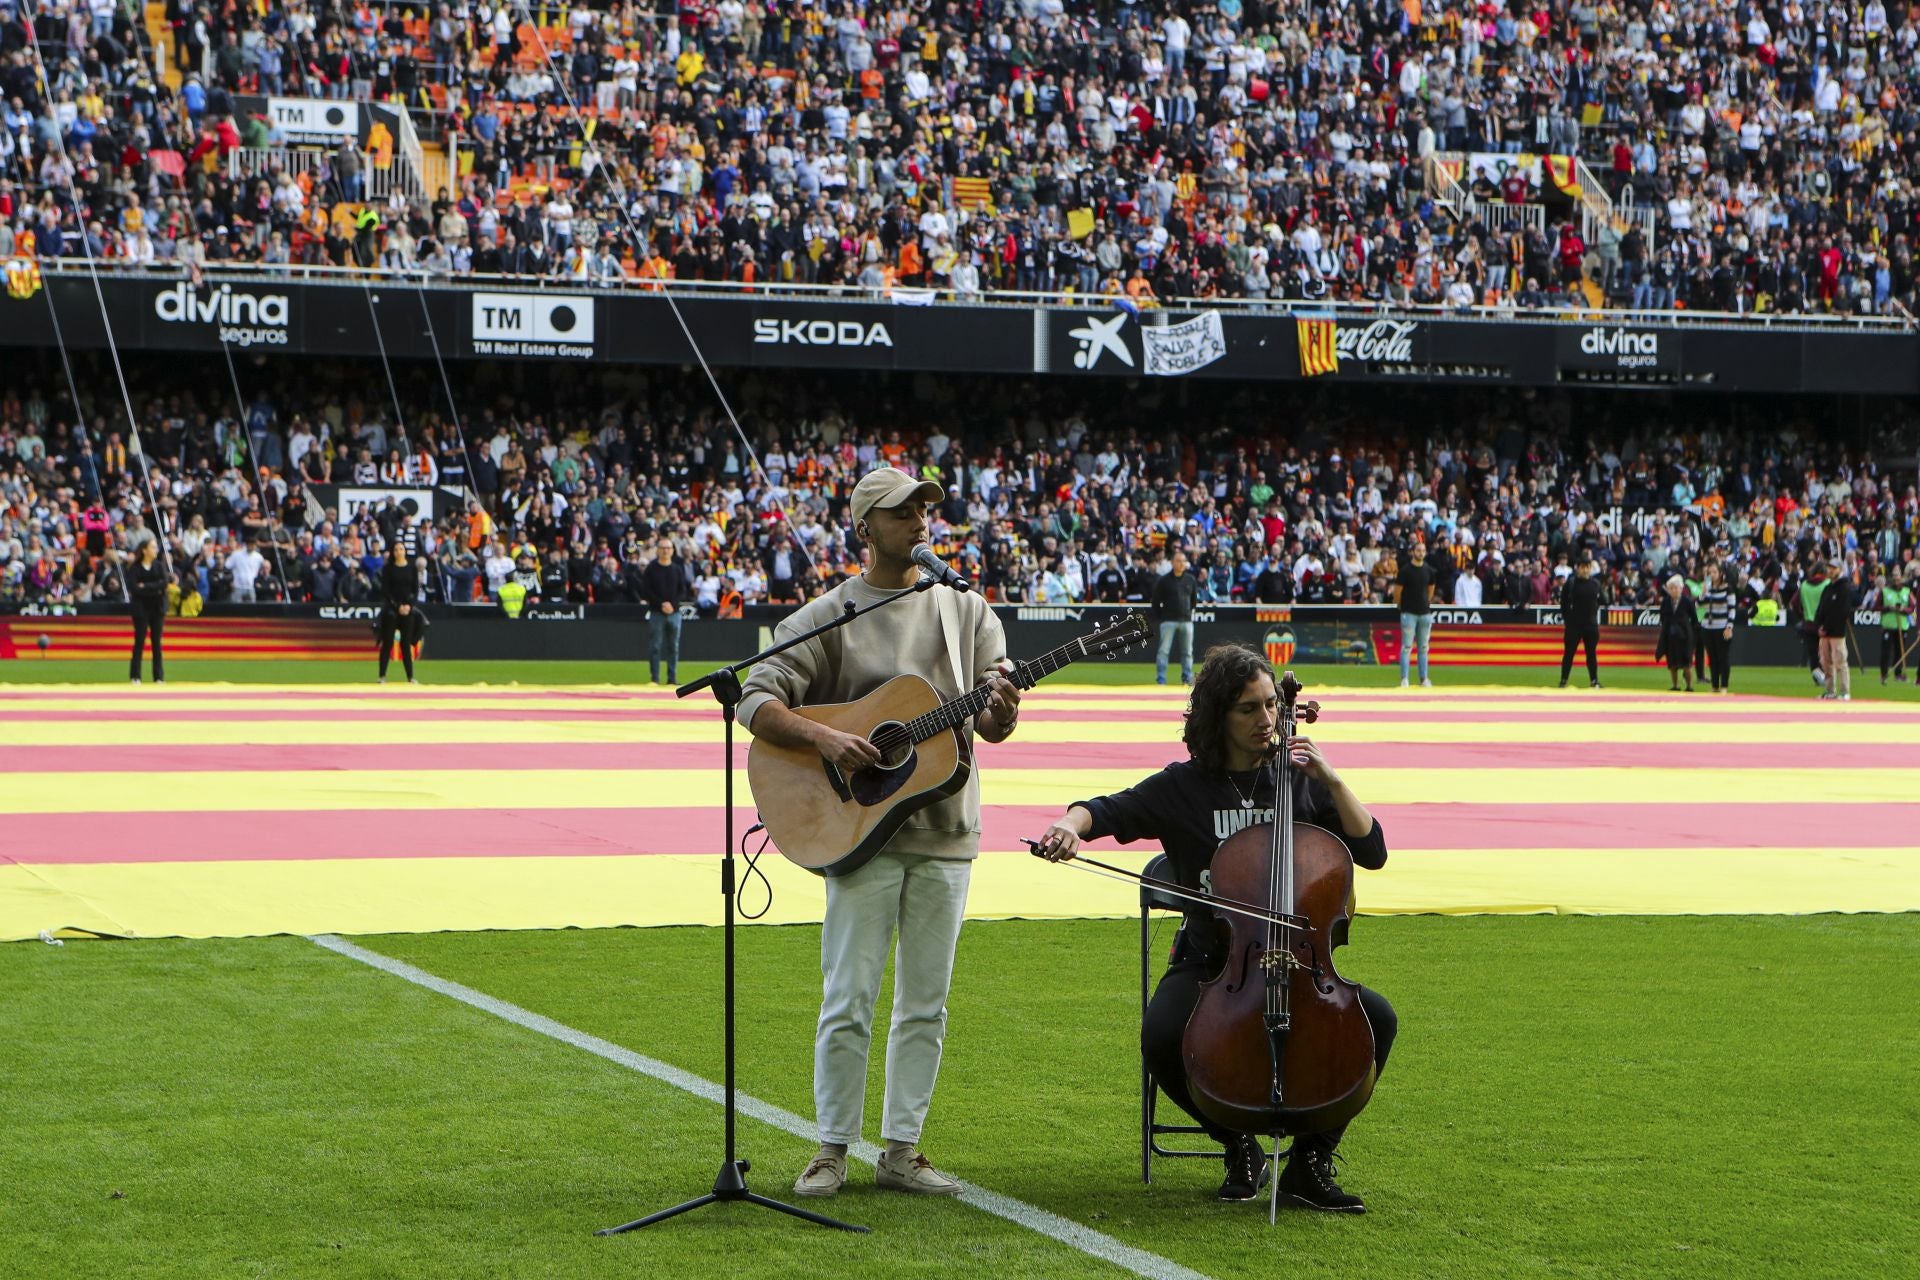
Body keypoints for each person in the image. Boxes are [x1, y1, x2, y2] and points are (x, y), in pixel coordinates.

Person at [738, 467, 1022, 1200]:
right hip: (856, 830)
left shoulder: (967, 609)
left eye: (928, 507)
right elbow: (757, 698)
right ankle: (831, 1148)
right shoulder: (830, 612)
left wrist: (1003, 708)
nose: (922, 520)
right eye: (903, 512)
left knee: (927, 1001)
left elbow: (993, 724)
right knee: (849, 996)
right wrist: (827, 741)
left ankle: (902, 1149)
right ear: (865, 528)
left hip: (946, 831)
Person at [1034, 643, 1393, 1212]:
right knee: (1162, 1035)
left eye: (1273, 705)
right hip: (1212, 963)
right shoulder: (1185, 787)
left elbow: (1371, 851)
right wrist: (1066, 825)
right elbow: (1103, 808)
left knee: (1378, 1021)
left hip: (1301, 963)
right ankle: (1237, 1142)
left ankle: (1310, 1162)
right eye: (1249, 709)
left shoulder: (1299, 781)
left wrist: (1327, 772)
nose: (1267, 720)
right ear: (1217, 716)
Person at [640, 537, 688, 684]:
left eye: (668, 548)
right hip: (656, 612)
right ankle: (654, 678)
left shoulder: (677, 569)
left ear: (672, 551)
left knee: (673, 647)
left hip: (674, 613)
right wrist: (661, 604)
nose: (665, 551)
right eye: (663, 548)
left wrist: (672, 605)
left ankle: (672, 678)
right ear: (658, 550)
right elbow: (646, 591)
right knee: (655, 646)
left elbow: (683, 591)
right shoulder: (651, 569)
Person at [1393, 539, 1438, 687]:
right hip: (1409, 613)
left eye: (1423, 551)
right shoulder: (1405, 570)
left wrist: (1425, 603)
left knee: (1423, 647)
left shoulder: (1429, 570)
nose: (1420, 553)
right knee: (1407, 647)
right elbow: (1397, 593)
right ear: (1413, 552)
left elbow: (1430, 591)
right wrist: (1402, 606)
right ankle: (1404, 678)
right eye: (1418, 550)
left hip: (1424, 613)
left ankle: (1423, 678)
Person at [376, 540, 422, 684]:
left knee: (406, 644)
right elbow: (385, 591)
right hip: (392, 609)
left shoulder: (412, 568)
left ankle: (410, 677)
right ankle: (382, 676)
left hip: (408, 609)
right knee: (388, 642)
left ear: (405, 551)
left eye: (401, 549)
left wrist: (408, 605)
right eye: (396, 549)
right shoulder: (388, 569)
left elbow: (415, 590)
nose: (398, 552)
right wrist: (397, 607)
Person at [1152, 548, 1200, 685]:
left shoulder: (1190, 580)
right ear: (1172, 563)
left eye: (1183, 561)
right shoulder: (1164, 580)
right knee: (1163, 651)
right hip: (1168, 620)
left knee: (1188, 652)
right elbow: (1155, 601)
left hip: (1186, 620)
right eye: (1178, 561)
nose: (1181, 563)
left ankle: (1187, 679)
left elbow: (1193, 600)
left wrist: (1188, 612)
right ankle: (1161, 679)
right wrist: (1162, 616)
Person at [1558, 556, 1605, 688]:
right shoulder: (1571, 583)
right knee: (1569, 653)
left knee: (1591, 654)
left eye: (1588, 567)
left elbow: (1604, 600)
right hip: (1574, 625)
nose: (1585, 570)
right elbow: (1563, 604)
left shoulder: (1595, 584)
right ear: (1577, 568)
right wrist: (1568, 620)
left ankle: (1594, 680)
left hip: (1590, 624)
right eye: (1583, 567)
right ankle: (1564, 680)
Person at [128, 540, 169, 684]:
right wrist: (153, 589)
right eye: (152, 547)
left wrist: (145, 586)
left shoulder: (159, 566)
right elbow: (134, 588)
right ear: (144, 550)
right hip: (141, 609)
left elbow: (164, 583)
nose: (155, 550)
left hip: (157, 608)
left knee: (156, 643)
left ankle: (158, 677)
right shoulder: (135, 568)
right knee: (139, 642)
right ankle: (135, 676)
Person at [1814, 560, 1854, 701]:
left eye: (1833, 568)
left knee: (1840, 662)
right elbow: (1821, 609)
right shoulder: (1828, 588)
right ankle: (1830, 690)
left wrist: (1826, 627)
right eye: (1829, 568)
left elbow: (1842, 612)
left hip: (1837, 632)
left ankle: (1845, 691)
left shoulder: (1845, 588)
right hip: (1825, 632)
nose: (1830, 570)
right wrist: (1819, 626)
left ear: (1840, 569)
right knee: (1826, 662)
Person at [1700, 563, 1737, 693]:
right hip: (1708, 627)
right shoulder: (1707, 588)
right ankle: (1714, 686)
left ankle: (1724, 686)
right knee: (1712, 658)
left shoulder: (1728, 589)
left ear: (1720, 573)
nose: (1712, 575)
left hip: (1722, 627)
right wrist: (1703, 593)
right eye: (1709, 573)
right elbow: (1700, 605)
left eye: (1714, 572)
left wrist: (1729, 626)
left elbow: (1732, 609)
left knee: (1723, 657)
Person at [1655, 574, 1695, 692]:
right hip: (1670, 636)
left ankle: (1689, 686)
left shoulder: (1687, 601)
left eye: (1675, 587)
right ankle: (1675, 685)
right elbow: (1662, 617)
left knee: (1687, 663)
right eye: (1671, 588)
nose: (1673, 590)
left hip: (1685, 637)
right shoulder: (1665, 602)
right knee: (1672, 663)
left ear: (1681, 588)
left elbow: (1694, 619)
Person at [1874, 567, 1911, 684]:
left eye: (1898, 576)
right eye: (1894, 576)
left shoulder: (1906, 591)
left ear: (1901, 577)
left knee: (1900, 651)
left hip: (1902, 626)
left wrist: (1904, 609)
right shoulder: (1885, 591)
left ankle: (1898, 674)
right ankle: (1883, 674)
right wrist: (1888, 608)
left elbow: (1912, 607)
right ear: (1891, 578)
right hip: (1888, 625)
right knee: (1886, 651)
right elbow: (1876, 607)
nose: (1896, 578)